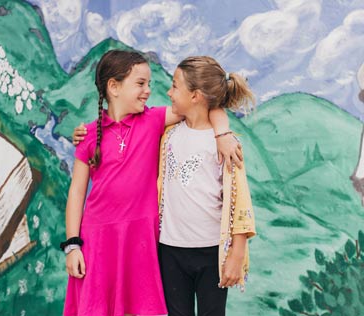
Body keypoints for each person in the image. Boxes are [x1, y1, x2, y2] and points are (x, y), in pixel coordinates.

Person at [62, 50, 241, 316]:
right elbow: (77, 193)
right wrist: (72, 245)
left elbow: (203, 104)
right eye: (140, 83)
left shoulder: (154, 120)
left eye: (149, 84)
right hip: (98, 241)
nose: (148, 90)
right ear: (113, 87)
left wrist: (223, 131)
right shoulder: (88, 135)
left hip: (140, 242)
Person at [157, 56, 256, 316]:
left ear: (196, 96)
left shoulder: (225, 144)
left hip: (211, 252)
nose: (169, 92)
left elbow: (240, 201)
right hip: (170, 249)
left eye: (175, 86)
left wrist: (237, 253)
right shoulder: (168, 135)